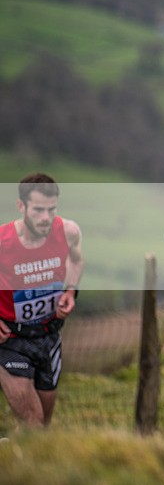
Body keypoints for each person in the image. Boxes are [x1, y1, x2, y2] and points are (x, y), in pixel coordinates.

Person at [0, 173, 83, 427]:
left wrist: (71, 290)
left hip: (49, 338)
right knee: (33, 422)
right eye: (38, 210)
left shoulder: (68, 231)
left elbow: (76, 260)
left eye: (51, 209)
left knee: (42, 426)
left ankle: (14, 461)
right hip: (10, 340)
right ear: (21, 206)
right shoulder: (3, 241)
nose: (45, 218)